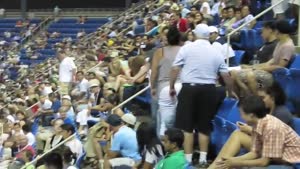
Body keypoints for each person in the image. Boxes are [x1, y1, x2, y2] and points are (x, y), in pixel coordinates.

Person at [169, 23, 236, 166]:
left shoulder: (186, 48)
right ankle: (203, 159)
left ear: (195, 34)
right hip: (208, 90)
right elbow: (227, 76)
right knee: (204, 126)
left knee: (187, 126)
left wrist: (171, 86)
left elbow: (175, 69)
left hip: (189, 89)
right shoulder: (215, 51)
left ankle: (187, 161)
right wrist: (230, 92)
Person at [208, 82, 294, 169]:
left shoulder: (280, 115)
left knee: (238, 139)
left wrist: (235, 162)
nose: (260, 100)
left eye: (262, 97)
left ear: (272, 97)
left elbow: (266, 158)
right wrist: (232, 160)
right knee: (238, 134)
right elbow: (257, 149)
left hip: (283, 157)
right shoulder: (264, 114)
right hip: (269, 148)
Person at [150, 26, 182, 136]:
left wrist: (152, 87)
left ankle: (162, 145)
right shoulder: (184, 50)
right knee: (180, 118)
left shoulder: (160, 52)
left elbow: (153, 72)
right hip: (182, 86)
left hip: (164, 87)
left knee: (163, 120)